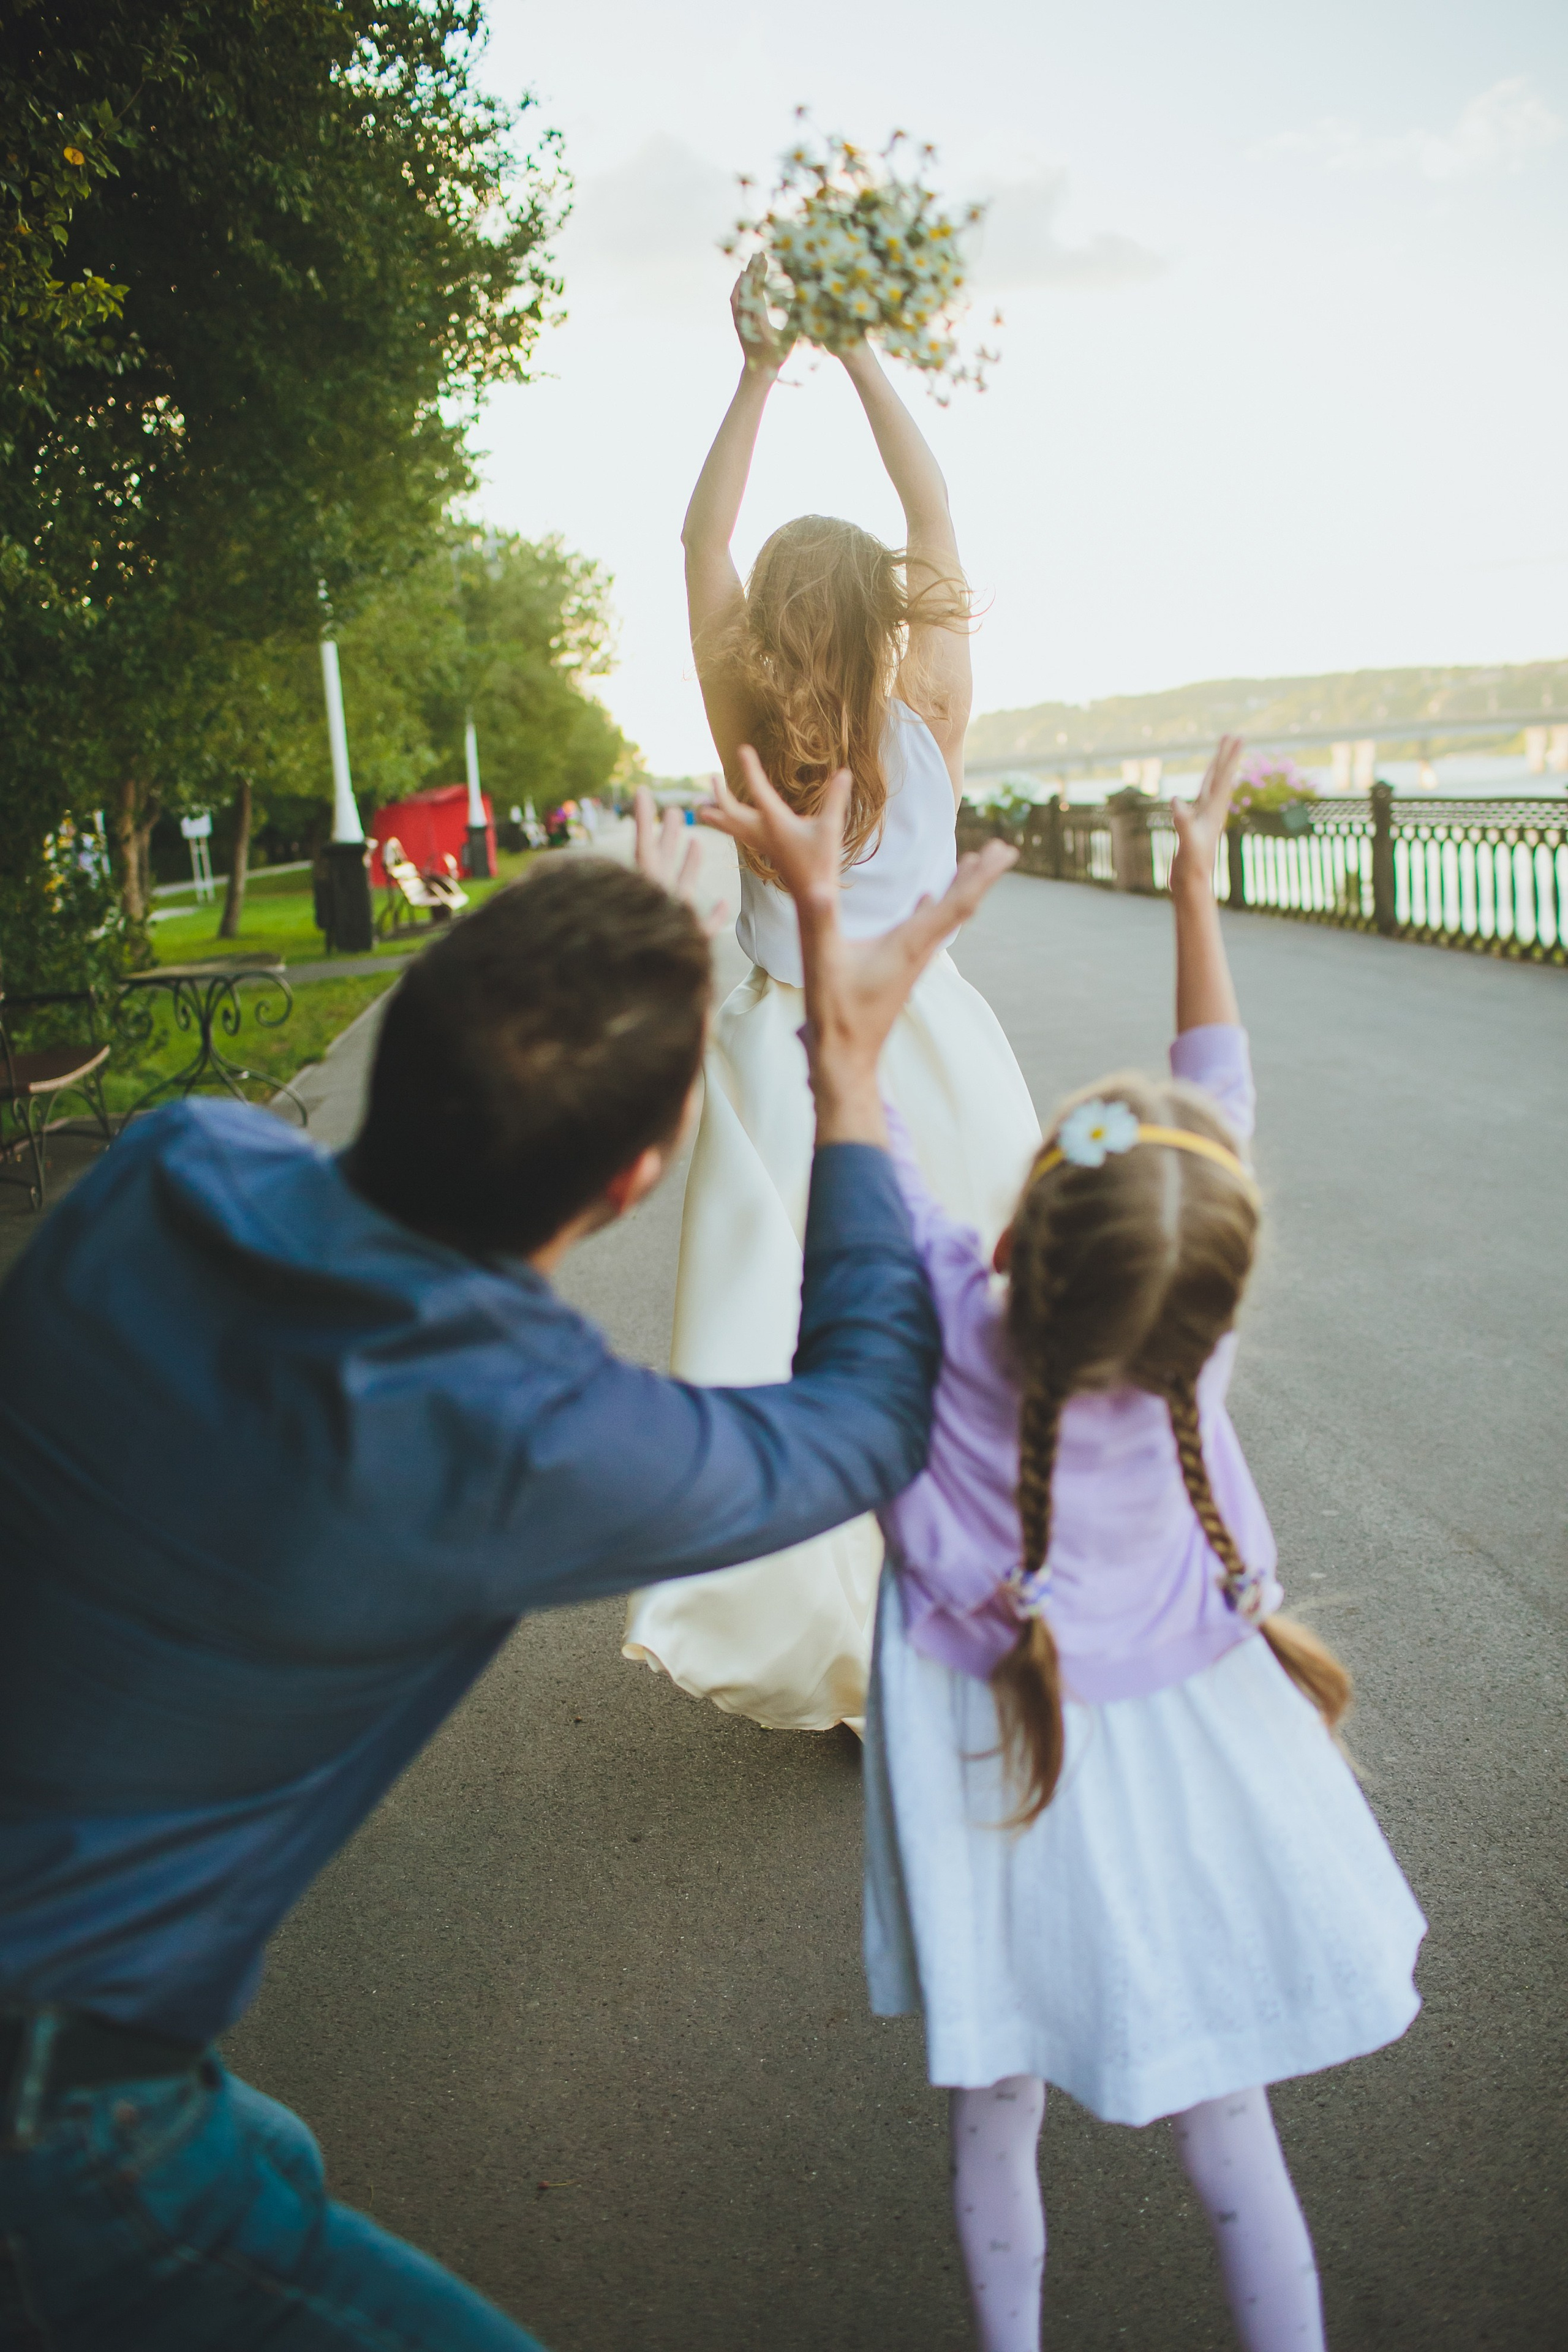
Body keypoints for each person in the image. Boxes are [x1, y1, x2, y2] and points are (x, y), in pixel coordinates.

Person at [0, 807, 1013, 2350]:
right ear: (637, 1177)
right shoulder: (513, 1428)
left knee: (277, 2161)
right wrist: (850, 1079)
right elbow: (866, 1417)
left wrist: (571, 942)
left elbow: (332, 1149)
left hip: (83, 2009)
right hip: (57, 2076)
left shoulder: (172, 1162)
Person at [825, 735, 1420, 2352]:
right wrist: (1196, 881)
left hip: (986, 1767)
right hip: (1175, 1753)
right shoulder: (1187, 1357)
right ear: (1215, 1308)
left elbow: (852, 1114)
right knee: (1232, 2137)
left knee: (995, 2113)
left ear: (1014, 1228)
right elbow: (1214, 1092)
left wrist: (839, 961)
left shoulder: (938, 1319)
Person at [622, 272, 1041, 1736]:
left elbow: (697, 539)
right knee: (964, 1337)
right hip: (932, 1048)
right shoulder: (925, 708)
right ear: (881, 610)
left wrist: (753, 373)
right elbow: (932, 522)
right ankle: (978, 1607)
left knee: (806, 1354)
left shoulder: (742, 716)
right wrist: (852, 347)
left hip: (780, 1061)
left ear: (772, 627)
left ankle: (857, 1644)